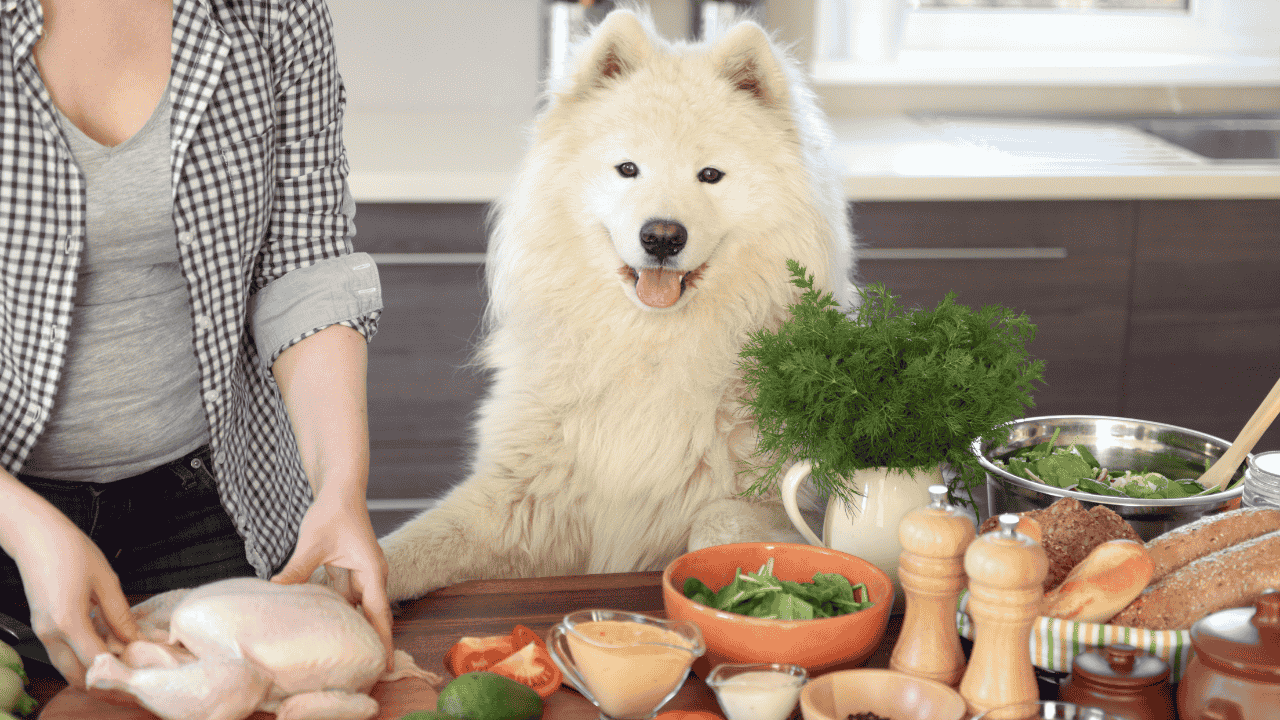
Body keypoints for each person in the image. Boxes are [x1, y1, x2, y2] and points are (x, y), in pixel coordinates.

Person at [0, 0, 393, 688]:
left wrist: (339, 486)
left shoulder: (276, 12)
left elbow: (303, 259)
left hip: (202, 502)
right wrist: (24, 526)